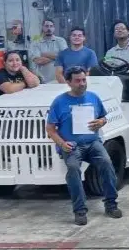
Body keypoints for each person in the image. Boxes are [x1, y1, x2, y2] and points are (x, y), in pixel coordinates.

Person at [46, 67, 123, 226]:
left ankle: (111, 203)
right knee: (73, 169)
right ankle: (79, 210)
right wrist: (62, 143)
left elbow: (103, 117)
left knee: (107, 164)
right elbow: (50, 129)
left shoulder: (93, 97)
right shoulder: (59, 102)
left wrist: (101, 122)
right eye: (77, 80)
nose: (82, 83)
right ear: (68, 82)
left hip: (93, 142)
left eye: (83, 80)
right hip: (72, 145)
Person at [28, 18, 68, 83]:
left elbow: (65, 57)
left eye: (51, 26)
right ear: (42, 27)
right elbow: (39, 61)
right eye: (46, 26)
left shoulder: (61, 41)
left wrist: (44, 54)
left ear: (54, 28)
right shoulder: (35, 43)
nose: (49, 28)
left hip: (60, 80)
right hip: (42, 81)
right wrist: (57, 57)